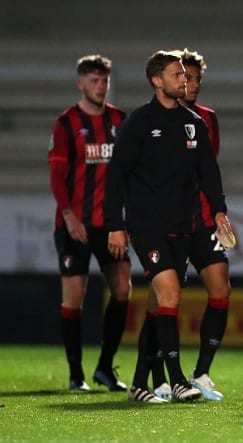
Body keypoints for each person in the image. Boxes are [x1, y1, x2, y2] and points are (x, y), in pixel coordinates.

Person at [104, 50, 228, 403]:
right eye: (177, 75)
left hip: (183, 227)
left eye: (185, 76)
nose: (184, 80)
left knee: (162, 305)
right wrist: (115, 224)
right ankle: (176, 378)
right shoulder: (140, 122)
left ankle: (141, 384)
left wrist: (219, 211)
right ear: (157, 81)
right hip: (147, 227)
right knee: (170, 294)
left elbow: (208, 172)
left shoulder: (194, 123)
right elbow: (117, 174)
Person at [146, 48, 231, 402]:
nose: (192, 84)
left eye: (197, 79)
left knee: (221, 289)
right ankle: (157, 377)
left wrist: (218, 211)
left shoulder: (206, 119)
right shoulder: (154, 120)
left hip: (201, 222)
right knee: (163, 300)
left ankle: (201, 373)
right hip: (167, 223)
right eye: (187, 77)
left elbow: (209, 170)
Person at [48, 54, 131, 392]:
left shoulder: (119, 121)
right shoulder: (67, 123)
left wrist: (122, 222)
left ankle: (104, 369)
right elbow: (56, 174)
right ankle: (75, 374)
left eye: (104, 81)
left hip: (109, 224)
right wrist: (69, 216)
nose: (100, 86)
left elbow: (127, 174)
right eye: (94, 81)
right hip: (76, 225)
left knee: (123, 290)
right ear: (80, 83)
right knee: (74, 297)